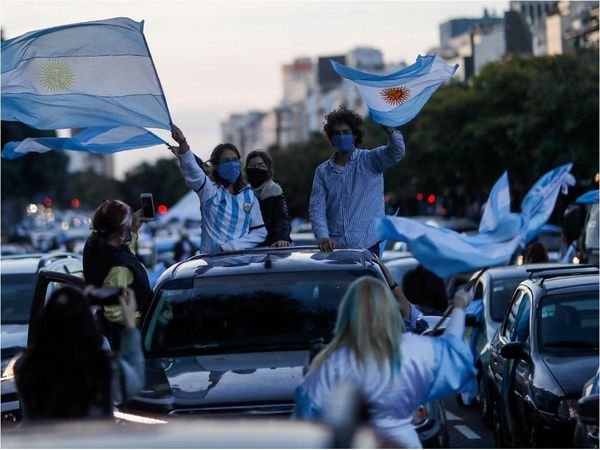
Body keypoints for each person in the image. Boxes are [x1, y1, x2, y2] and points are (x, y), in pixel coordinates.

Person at [293, 277, 475, 448]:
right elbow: (453, 352)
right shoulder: (414, 349)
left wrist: (310, 375)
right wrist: (459, 306)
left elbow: (306, 425)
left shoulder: (328, 365)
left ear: (346, 314)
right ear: (388, 310)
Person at [14, 285, 144, 420]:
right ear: (89, 326)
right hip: (95, 440)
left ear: (43, 324)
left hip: (42, 440)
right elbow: (135, 379)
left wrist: (78, 305)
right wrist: (129, 325)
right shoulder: (103, 369)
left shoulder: (26, 368)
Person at [309, 106, 406, 255]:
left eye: (346, 132)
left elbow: (397, 152)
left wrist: (390, 129)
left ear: (355, 135)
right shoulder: (322, 171)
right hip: (336, 251)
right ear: (332, 138)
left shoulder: (370, 160)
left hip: (369, 248)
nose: (342, 137)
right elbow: (317, 209)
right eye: (337, 133)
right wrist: (323, 237)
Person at [169, 125, 267, 253]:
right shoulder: (210, 190)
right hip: (211, 267)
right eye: (226, 161)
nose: (232, 164)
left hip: (242, 263)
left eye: (235, 160)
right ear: (216, 165)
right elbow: (193, 171)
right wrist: (183, 143)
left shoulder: (249, 195)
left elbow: (260, 232)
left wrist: (230, 248)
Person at [83, 200, 151, 348]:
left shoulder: (93, 244)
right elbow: (113, 312)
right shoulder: (119, 266)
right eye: (128, 223)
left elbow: (122, 255)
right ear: (121, 230)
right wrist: (147, 317)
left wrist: (132, 232)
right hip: (124, 341)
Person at [244, 149, 292, 247]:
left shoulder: (274, 191)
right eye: (252, 166)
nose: (256, 169)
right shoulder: (241, 193)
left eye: (261, 166)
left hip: (270, 249)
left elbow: (282, 218)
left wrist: (282, 238)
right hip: (244, 249)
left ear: (268, 169)